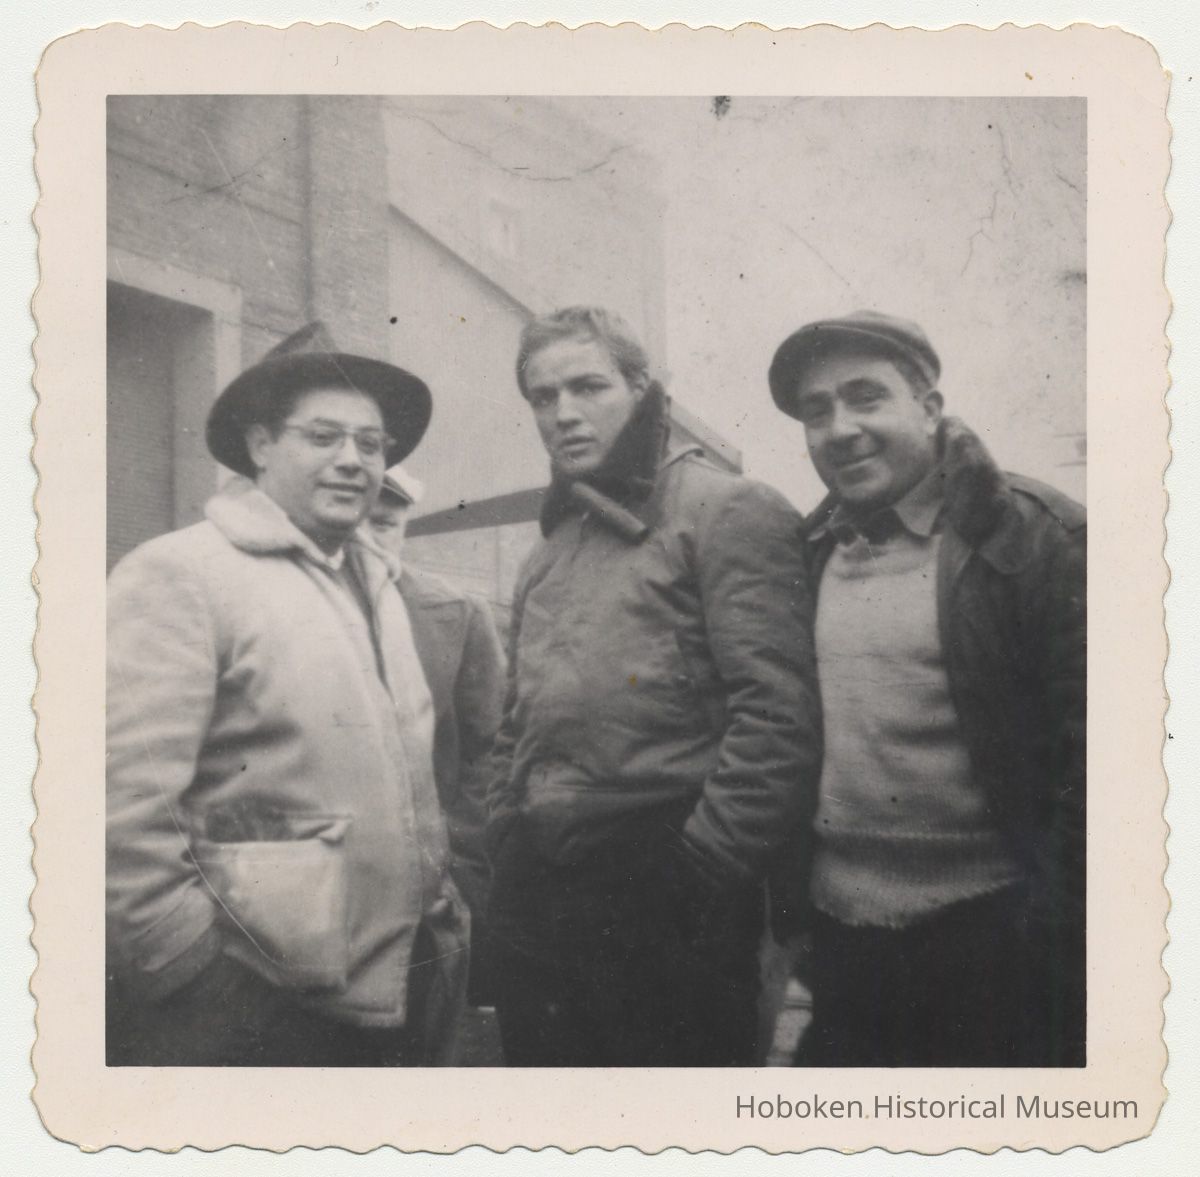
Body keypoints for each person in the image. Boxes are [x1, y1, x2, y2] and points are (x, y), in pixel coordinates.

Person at [106, 322, 470, 1067]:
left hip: (396, 986)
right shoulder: (183, 573)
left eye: (371, 444)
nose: (353, 460)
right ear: (261, 445)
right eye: (324, 436)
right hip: (256, 1003)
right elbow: (122, 809)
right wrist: (192, 974)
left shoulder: (376, 579)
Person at [487, 306, 821, 1067]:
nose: (564, 413)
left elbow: (778, 718)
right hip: (540, 888)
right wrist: (507, 833)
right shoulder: (550, 547)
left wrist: (696, 872)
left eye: (588, 386)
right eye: (543, 396)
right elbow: (517, 719)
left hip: (665, 887)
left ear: (642, 390)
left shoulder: (727, 509)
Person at [768, 309, 1086, 1067]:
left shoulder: (1036, 537)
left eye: (866, 397)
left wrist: (1053, 935)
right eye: (817, 411)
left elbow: (1104, 762)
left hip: (995, 945)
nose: (841, 429)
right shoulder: (805, 554)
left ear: (930, 407)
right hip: (843, 947)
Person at [368, 466, 506, 1005]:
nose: (367, 539)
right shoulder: (281, 610)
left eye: (384, 523)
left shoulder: (456, 613)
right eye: (355, 523)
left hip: (427, 885)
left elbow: (489, 750)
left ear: (405, 525)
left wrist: (459, 866)